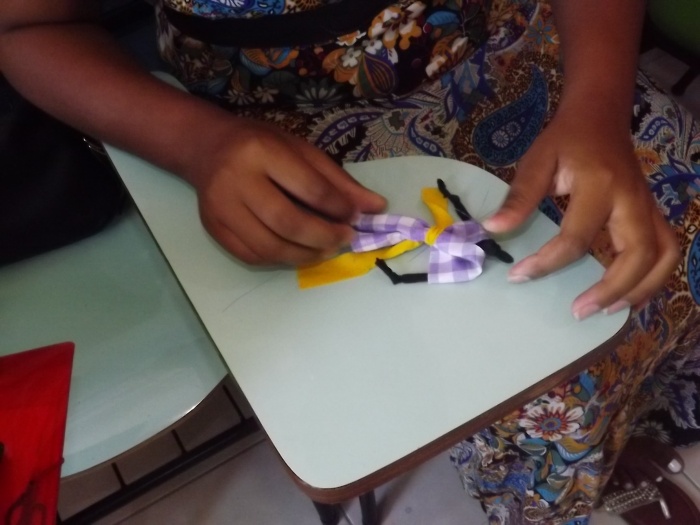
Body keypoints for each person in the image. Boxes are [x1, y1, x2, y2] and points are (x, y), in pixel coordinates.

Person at [1, 0, 698, 522]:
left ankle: (644, 422)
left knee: (676, 223)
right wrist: (196, 145)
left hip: (534, 47)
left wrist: (598, 102)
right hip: (276, 129)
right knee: (539, 370)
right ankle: (566, 487)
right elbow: (24, 25)